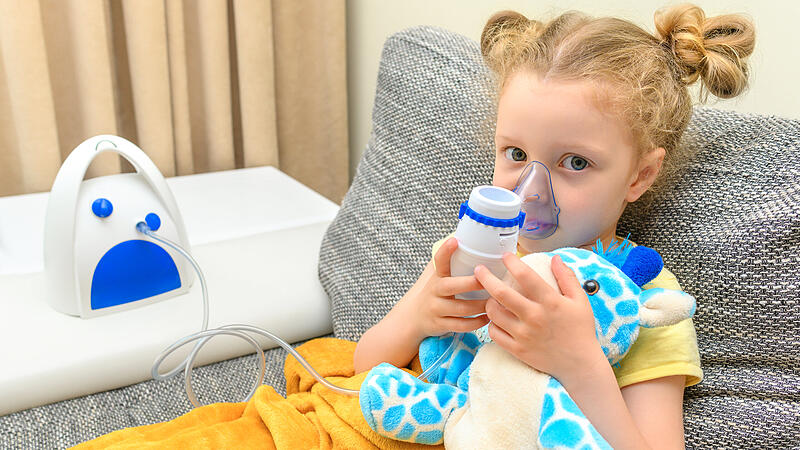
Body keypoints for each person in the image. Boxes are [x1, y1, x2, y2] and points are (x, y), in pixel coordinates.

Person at [353, 4, 755, 449]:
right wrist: (418, 315)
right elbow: (363, 366)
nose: (530, 192)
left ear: (639, 175)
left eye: (576, 162)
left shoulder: (645, 301)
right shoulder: (472, 249)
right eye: (516, 154)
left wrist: (580, 363)